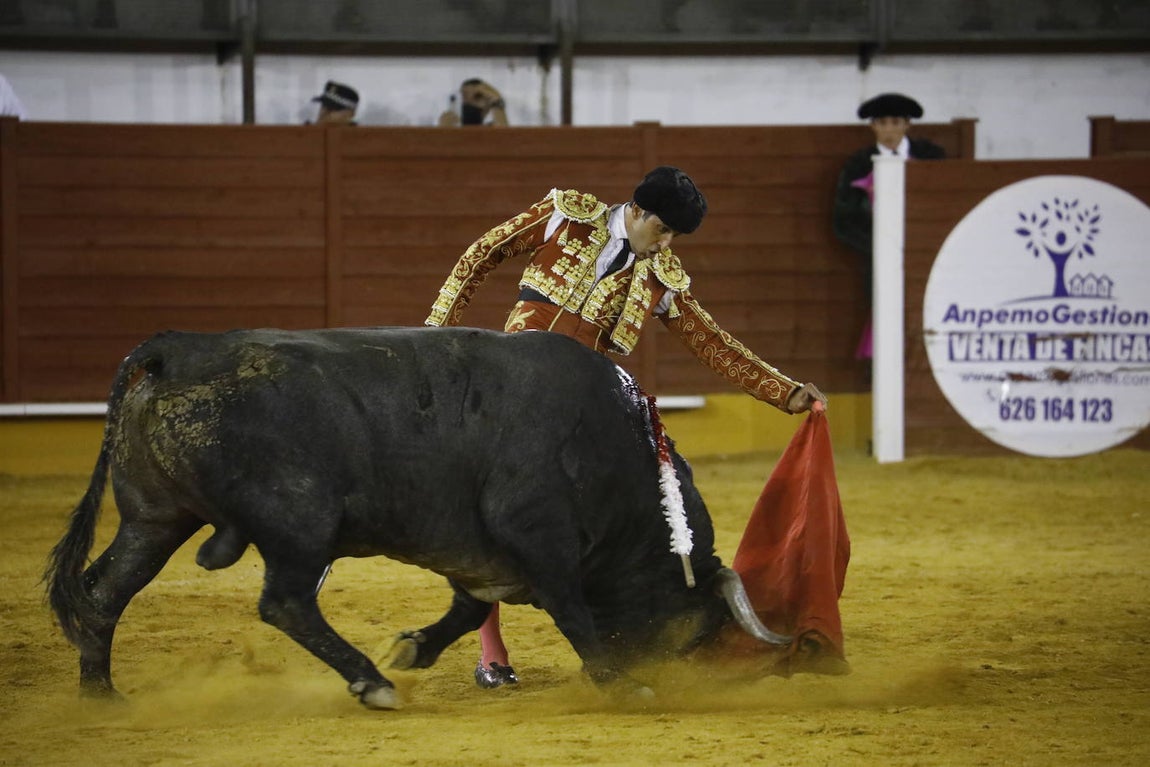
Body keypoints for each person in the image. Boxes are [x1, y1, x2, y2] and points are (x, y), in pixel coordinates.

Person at [425, 166, 827, 689]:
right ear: (635, 211)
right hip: (509, 396)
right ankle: (493, 654)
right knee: (476, 516)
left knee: (660, 486)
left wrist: (784, 390)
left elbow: (711, 341)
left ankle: (641, 625)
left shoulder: (662, 276)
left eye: (674, 237)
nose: (665, 244)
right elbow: (480, 255)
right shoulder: (563, 219)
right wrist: (433, 341)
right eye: (661, 230)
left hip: (585, 412)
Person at [832, 92, 945, 359]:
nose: (889, 129)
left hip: (928, 255)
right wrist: (880, 249)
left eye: (895, 122)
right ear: (873, 126)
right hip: (877, 260)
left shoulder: (932, 158)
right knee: (883, 317)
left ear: (907, 124)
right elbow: (844, 221)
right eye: (882, 123)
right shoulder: (858, 165)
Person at [438, 78, 508, 127]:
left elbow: (505, 138)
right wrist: (444, 130)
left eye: (478, 96)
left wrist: (496, 99)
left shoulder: (491, 131)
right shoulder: (448, 123)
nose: (469, 101)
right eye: (464, 95)